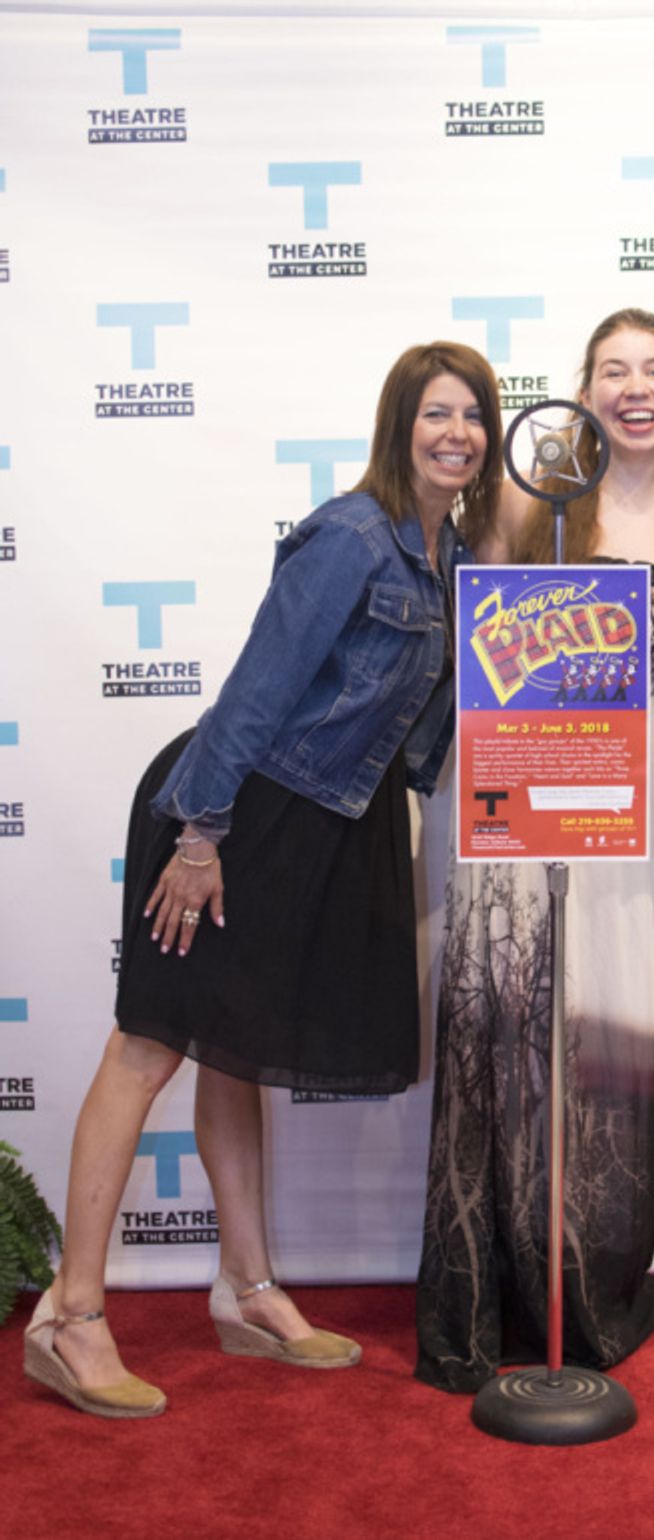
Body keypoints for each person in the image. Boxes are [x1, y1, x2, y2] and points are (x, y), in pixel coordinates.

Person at [23, 342, 502, 1418]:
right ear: (399, 424)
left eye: (474, 415)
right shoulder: (350, 536)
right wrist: (200, 834)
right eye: (437, 413)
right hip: (239, 812)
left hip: (333, 822)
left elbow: (426, 721)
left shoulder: (450, 553)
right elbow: (255, 685)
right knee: (148, 1044)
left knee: (232, 1054)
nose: (457, 434)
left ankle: (245, 1291)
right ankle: (71, 1313)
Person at [415, 308, 654, 1392]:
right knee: (522, 1025)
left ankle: (595, 1287)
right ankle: (496, 1299)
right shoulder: (532, 498)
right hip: (535, 798)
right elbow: (471, 631)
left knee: (626, 1039)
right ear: (584, 390)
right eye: (614, 370)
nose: (637, 388)